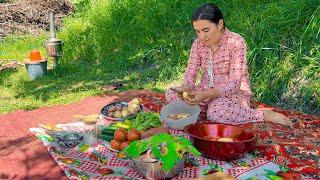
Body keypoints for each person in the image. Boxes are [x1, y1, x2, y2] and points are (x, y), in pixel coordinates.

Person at [165, 3, 291, 125]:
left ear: (220, 24)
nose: (201, 36)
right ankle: (203, 109)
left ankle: (262, 115)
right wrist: (185, 88)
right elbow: (190, 73)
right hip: (204, 91)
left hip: (231, 94)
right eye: (197, 31)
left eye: (206, 30)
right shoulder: (198, 44)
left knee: (217, 113)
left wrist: (206, 95)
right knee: (171, 94)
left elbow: (234, 84)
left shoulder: (236, 42)